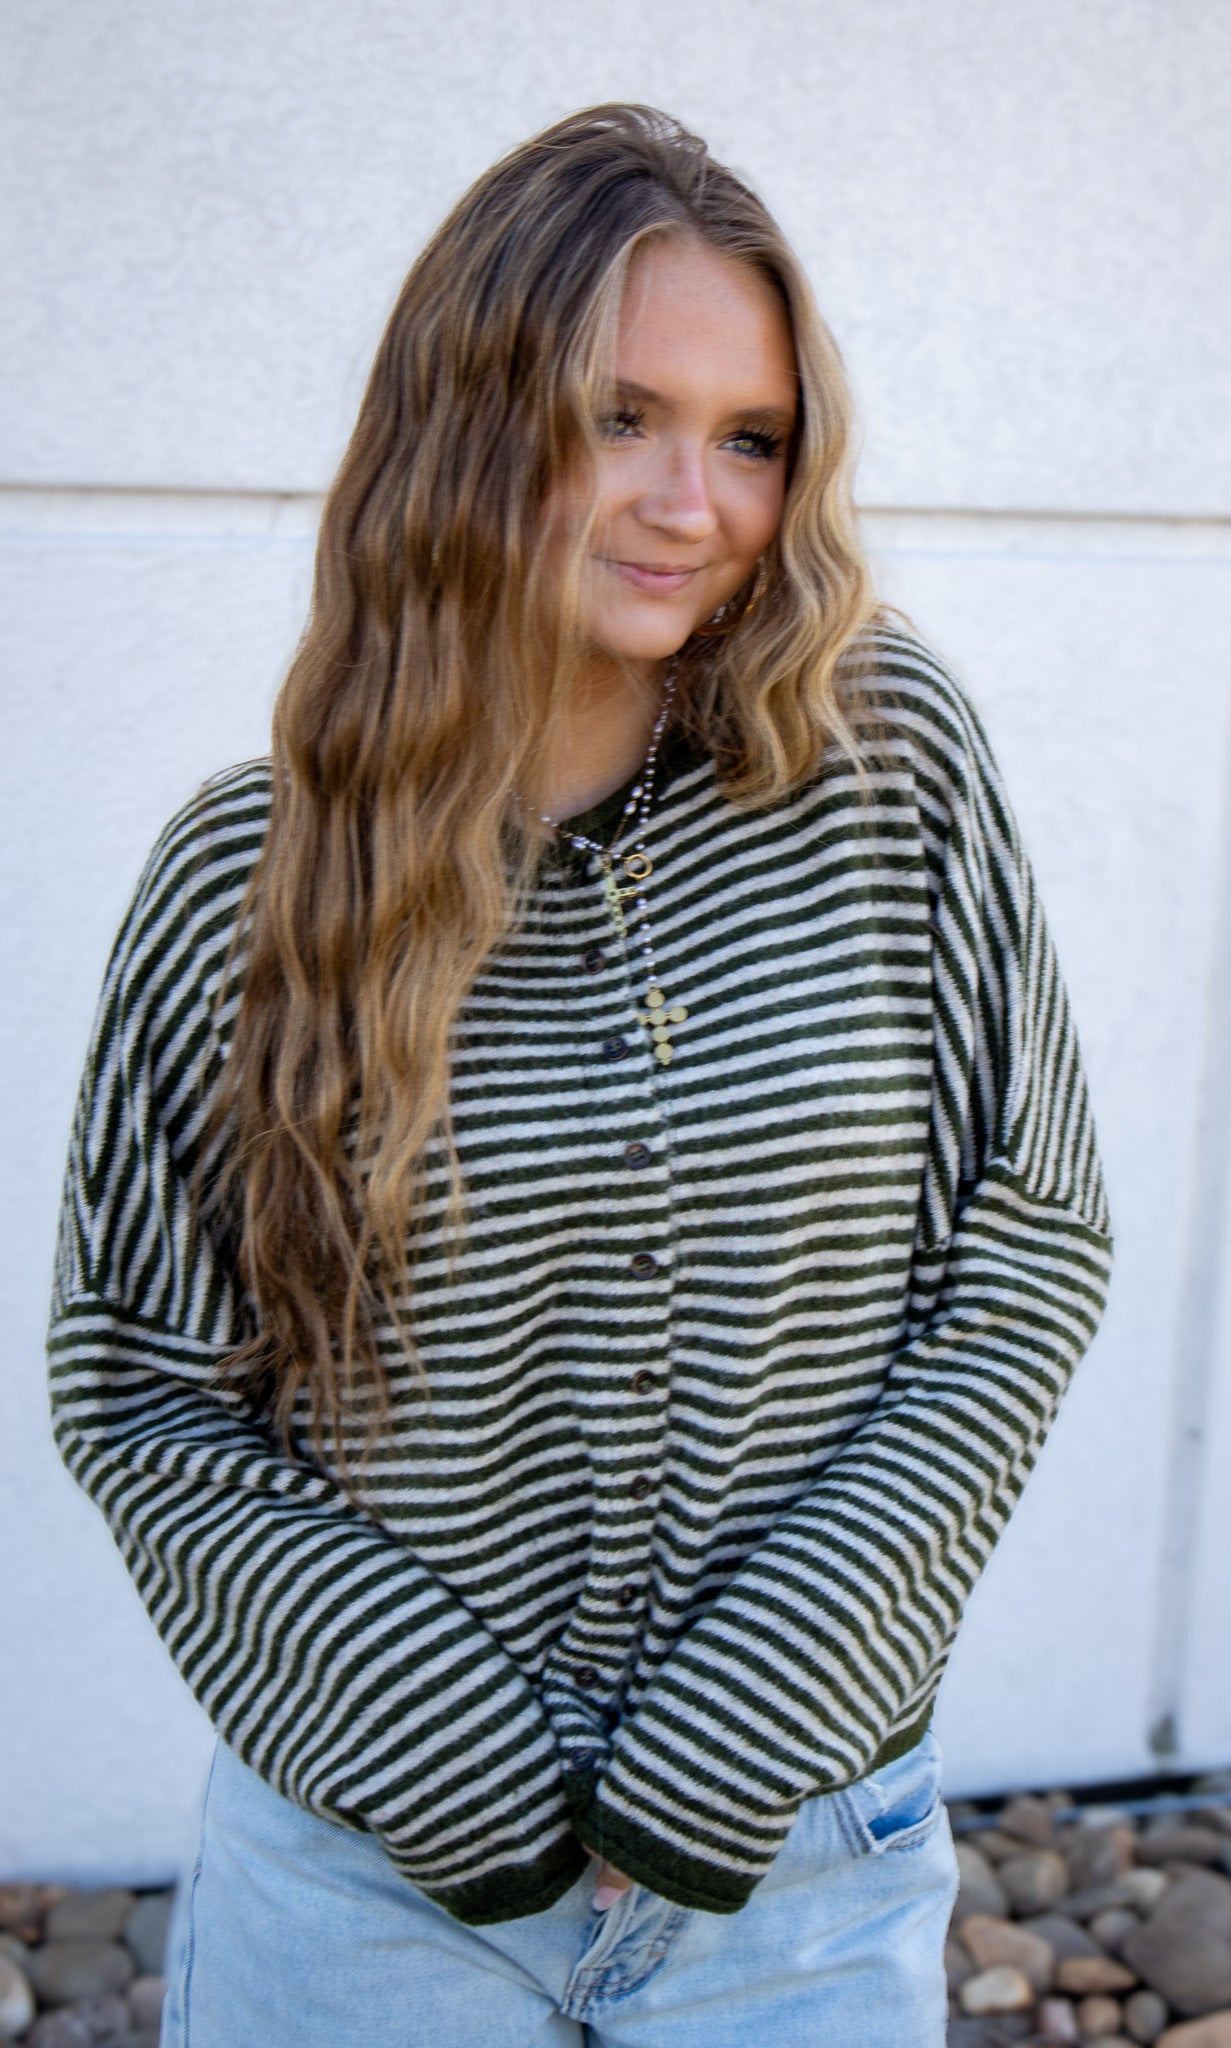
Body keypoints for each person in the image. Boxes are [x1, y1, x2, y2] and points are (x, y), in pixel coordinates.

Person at [47, 103, 1113, 2048]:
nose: (688, 498)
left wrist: (740, 1720)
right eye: (617, 414)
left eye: (746, 435)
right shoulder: (248, 880)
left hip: (796, 1875)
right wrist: (456, 1764)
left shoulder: (887, 771)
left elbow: (1026, 1248)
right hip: (371, 1893)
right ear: (466, 416)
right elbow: (142, 1388)